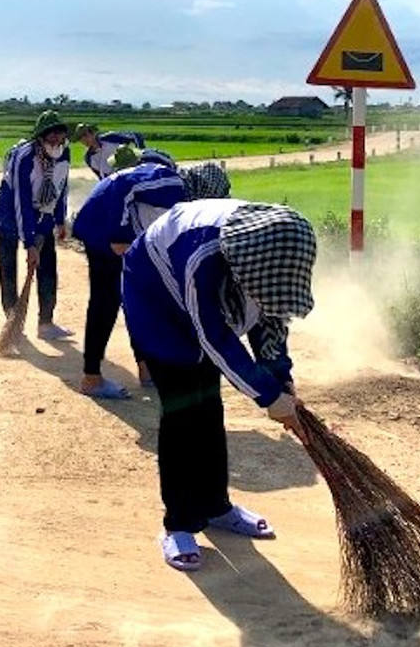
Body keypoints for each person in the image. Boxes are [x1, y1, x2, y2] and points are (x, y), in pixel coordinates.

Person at [122, 199, 317, 572]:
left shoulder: (266, 252)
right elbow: (215, 339)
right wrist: (268, 398)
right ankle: (178, 525)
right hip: (157, 300)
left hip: (199, 294)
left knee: (209, 407)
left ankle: (215, 505)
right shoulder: (202, 259)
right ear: (247, 270)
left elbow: (269, 317)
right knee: (182, 409)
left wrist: (281, 377)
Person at [69, 144, 187, 399]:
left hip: (103, 232)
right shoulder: (170, 180)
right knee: (106, 303)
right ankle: (92, 378)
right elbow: (124, 187)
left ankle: (146, 370)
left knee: (135, 302)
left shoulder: (158, 182)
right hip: (103, 236)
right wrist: (119, 237)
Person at [0, 109, 72, 341]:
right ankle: (12, 318)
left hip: (44, 214)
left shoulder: (64, 154)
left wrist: (60, 220)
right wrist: (28, 242)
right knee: (8, 267)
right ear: (41, 136)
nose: (56, 139)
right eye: (51, 134)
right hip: (10, 215)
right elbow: (21, 202)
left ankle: (46, 322)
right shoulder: (25, 156)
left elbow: (61, 189)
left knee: (47, 267)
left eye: (60, 133)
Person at [73, 123, 146, 179]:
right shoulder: (89, 158)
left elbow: (136, 136)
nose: (84, 140)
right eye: (80, 138)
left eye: (86, 135)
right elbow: (101, 177)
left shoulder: (110, 138)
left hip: (131, 173)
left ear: (92, 133)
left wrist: (143, 157)